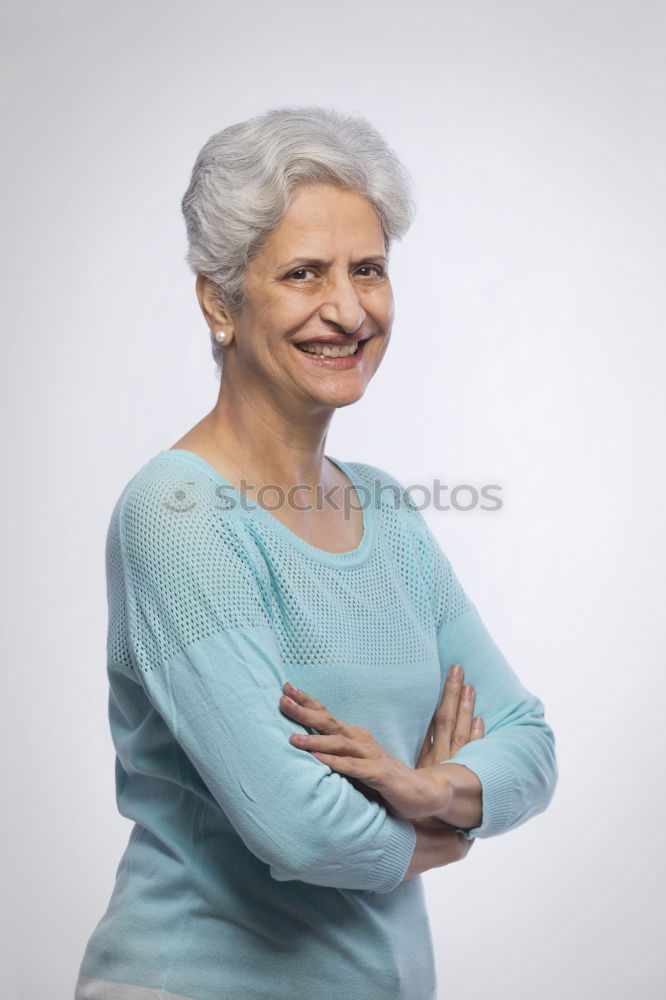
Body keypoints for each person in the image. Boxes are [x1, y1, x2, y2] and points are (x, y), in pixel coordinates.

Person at [74, 105, 558, 1000]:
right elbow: (296, 826)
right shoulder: (179, 513)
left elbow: (529, 743)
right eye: (304, 273)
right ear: (220, 300)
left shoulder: (386, 510)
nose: (347, 309)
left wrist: (424, 788)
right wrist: (440, 831)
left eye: (367, 270)